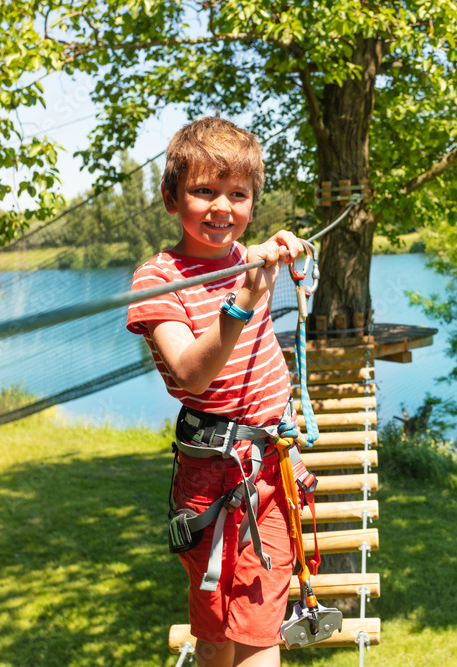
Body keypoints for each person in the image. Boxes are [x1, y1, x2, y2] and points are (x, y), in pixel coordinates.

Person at [126, 116, 305, 667]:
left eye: (238, 194)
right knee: (214, 628)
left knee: (257, 625)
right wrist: (244, 303)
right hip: (214, 479)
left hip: (272, 464)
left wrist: (278, 246)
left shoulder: (242, 259)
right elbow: (190, 374)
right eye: (204, 191)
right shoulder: (158, 281)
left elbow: (252, 258)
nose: (222, 207)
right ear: (170, 198)